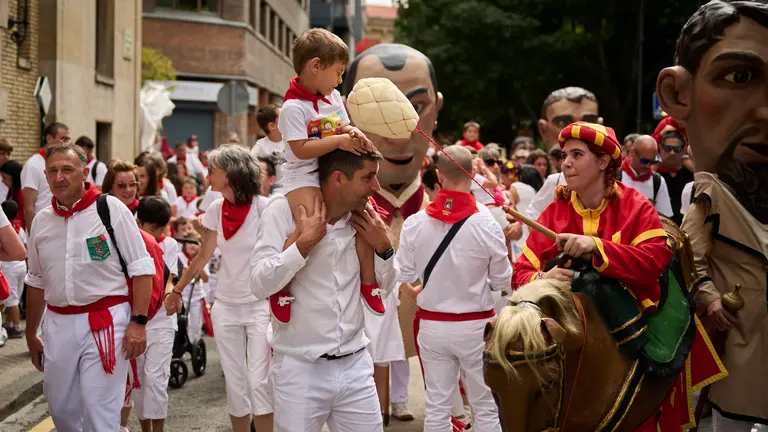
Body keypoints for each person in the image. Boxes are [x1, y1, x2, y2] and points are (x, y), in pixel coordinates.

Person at [513, 122, 725, 431]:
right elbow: (519, 272)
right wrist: (543, 278)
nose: (566, 163)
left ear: (602, 162)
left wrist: (596, 247)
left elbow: (653, 261)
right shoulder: (555, 212)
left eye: (576, 154)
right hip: (575, 333)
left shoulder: (636, 206)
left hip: (636, 323)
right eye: (563, 155)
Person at [657, 1, 768, 429]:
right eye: (740, 77)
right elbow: (689, 260)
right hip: (737, 344)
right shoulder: (710, 196)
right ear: (677, 94)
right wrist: (708, 297)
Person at [250, 148, 397, 432]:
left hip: (356, 366)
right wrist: (302, 245)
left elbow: (387, 288)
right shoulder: (284, 211)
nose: (376, 187)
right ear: (339, 178)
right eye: (368, 177)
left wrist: (384, 247)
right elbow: (258, 283)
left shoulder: (368, 218)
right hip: (299, 371)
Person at [342, 42, 445, 419]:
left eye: (417, 108)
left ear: (438, 108)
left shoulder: (449, 207)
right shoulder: (335, 207)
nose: (399, 132)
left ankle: (404, 401)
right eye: (374, 109)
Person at [24, 143, 155, 432]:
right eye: (53, 171)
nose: (59, 177)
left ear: (85, 173)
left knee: (100, 410)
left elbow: (142, 268)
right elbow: (35, 280)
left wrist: (138, 322)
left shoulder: (110, 209)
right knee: (61, 408)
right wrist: (30, 331)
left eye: (67, 170)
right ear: (45, 176)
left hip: (105, 324)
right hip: (57, 325)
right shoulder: (42, 222)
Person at [396, 145, 511, 432]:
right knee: (485, 406)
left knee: (437, 407)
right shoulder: (487, 222)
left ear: (439, 175)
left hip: (433, 325)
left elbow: (406, 274)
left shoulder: (415, 223)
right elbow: (502, 281)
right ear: (473, 174)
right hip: (476, 325)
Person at [272, 27, 379, 325]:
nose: (340, 80)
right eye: (338, 72)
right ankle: (281, 285)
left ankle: (369, 282)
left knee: (365, 217)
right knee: (311, 221)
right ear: (315, 66)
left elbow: (344, 127)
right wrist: (339, 141)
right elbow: (301, 149)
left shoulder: (333, 96)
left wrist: (352, 132)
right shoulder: (292, 107)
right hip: (302, 176)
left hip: (331, 169)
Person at [164, 145, 272, 432]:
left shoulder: (266, 208)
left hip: (260, 304)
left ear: (230, 174)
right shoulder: (214, 209)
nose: (207, 175)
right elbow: (203, 254)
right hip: (226, 306)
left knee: (259, 380)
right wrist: (176, 290)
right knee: (235, 383)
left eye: (213, 170)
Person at [131, 197, 177, 432]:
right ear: (138, 222)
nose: (158, 233)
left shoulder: (169, 244)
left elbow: (169, 277)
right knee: (138, 378)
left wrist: (171, 295)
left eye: (162, 228)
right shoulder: (130, 243)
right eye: (152, 229)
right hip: (136, 320)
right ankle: (144, 429)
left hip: (161, 321)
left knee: (156, 378)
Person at [526, 88, 602, 222]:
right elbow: (533, 216)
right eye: (563, 123)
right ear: (543, 129)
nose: (578, 131)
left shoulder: (617, 182)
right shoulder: (555, 181)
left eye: (589, 122)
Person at [21, 122, 70, 230]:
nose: (66, 143)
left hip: (62, 226)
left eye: (68, 140)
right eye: (63, 139)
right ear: (49, 138)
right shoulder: (33, 165)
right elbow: (29, 207)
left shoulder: (64, 163)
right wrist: (32, 235)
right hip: (42, 228)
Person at [619, 135, 673, 217]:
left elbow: (665, 218)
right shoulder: (614, 176)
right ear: (632, 152)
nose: (648, 166)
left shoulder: (657, 181)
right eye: (644, 161)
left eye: (652, 162)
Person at [0, 198, 26, 347]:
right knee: (14, 297)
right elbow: (22, 249)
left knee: (12, 299)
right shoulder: (19, 228)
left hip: (10, 267)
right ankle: (11, 324)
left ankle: (14, 326)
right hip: (20, 266)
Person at [655, 129, 693, 225]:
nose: (672, 153)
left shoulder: (691, 175)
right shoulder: (653, 176)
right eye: (668, 148)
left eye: (677, 149)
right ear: (660, 148)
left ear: (684, 150)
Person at [1, 160, 24, 226]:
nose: (2, 181)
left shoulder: (21, 193)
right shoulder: (12, 191)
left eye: (4, 178)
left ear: (14, 177)